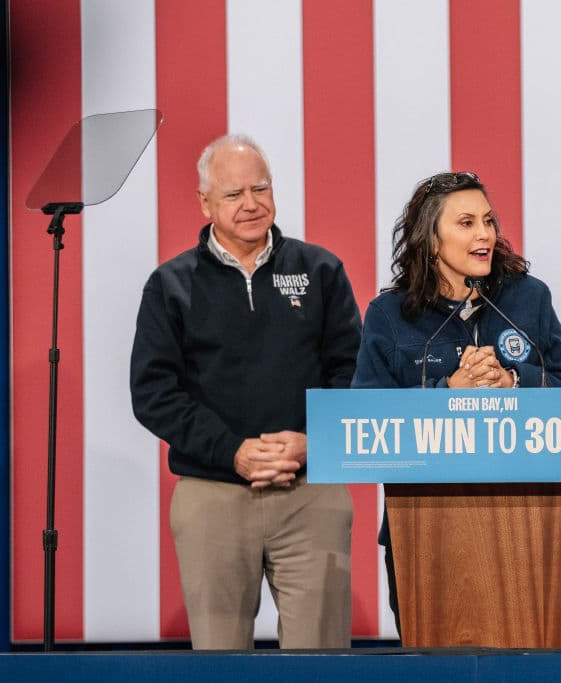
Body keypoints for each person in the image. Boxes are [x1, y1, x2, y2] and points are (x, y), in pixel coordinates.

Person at [130, 134, 362, 650]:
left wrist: (312, 442)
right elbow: (153, 392)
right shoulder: (171, 284)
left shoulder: (321, 270)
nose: (251, 204)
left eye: (261, 188)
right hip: (212, 495)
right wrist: (231, 451)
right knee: (219, 661)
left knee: (322, 661)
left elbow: (353, 372)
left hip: (311, 491)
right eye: (233, 194)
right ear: (205, 202)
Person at [351, 171, 561, 633]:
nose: (485, 234)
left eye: (488, 220)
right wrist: (448, 393)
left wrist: (513, 381)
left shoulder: (528, 298)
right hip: (421, 529)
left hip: (527, 526)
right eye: (466, 223)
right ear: (431, 239)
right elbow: (364, 421)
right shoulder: (390, 315)